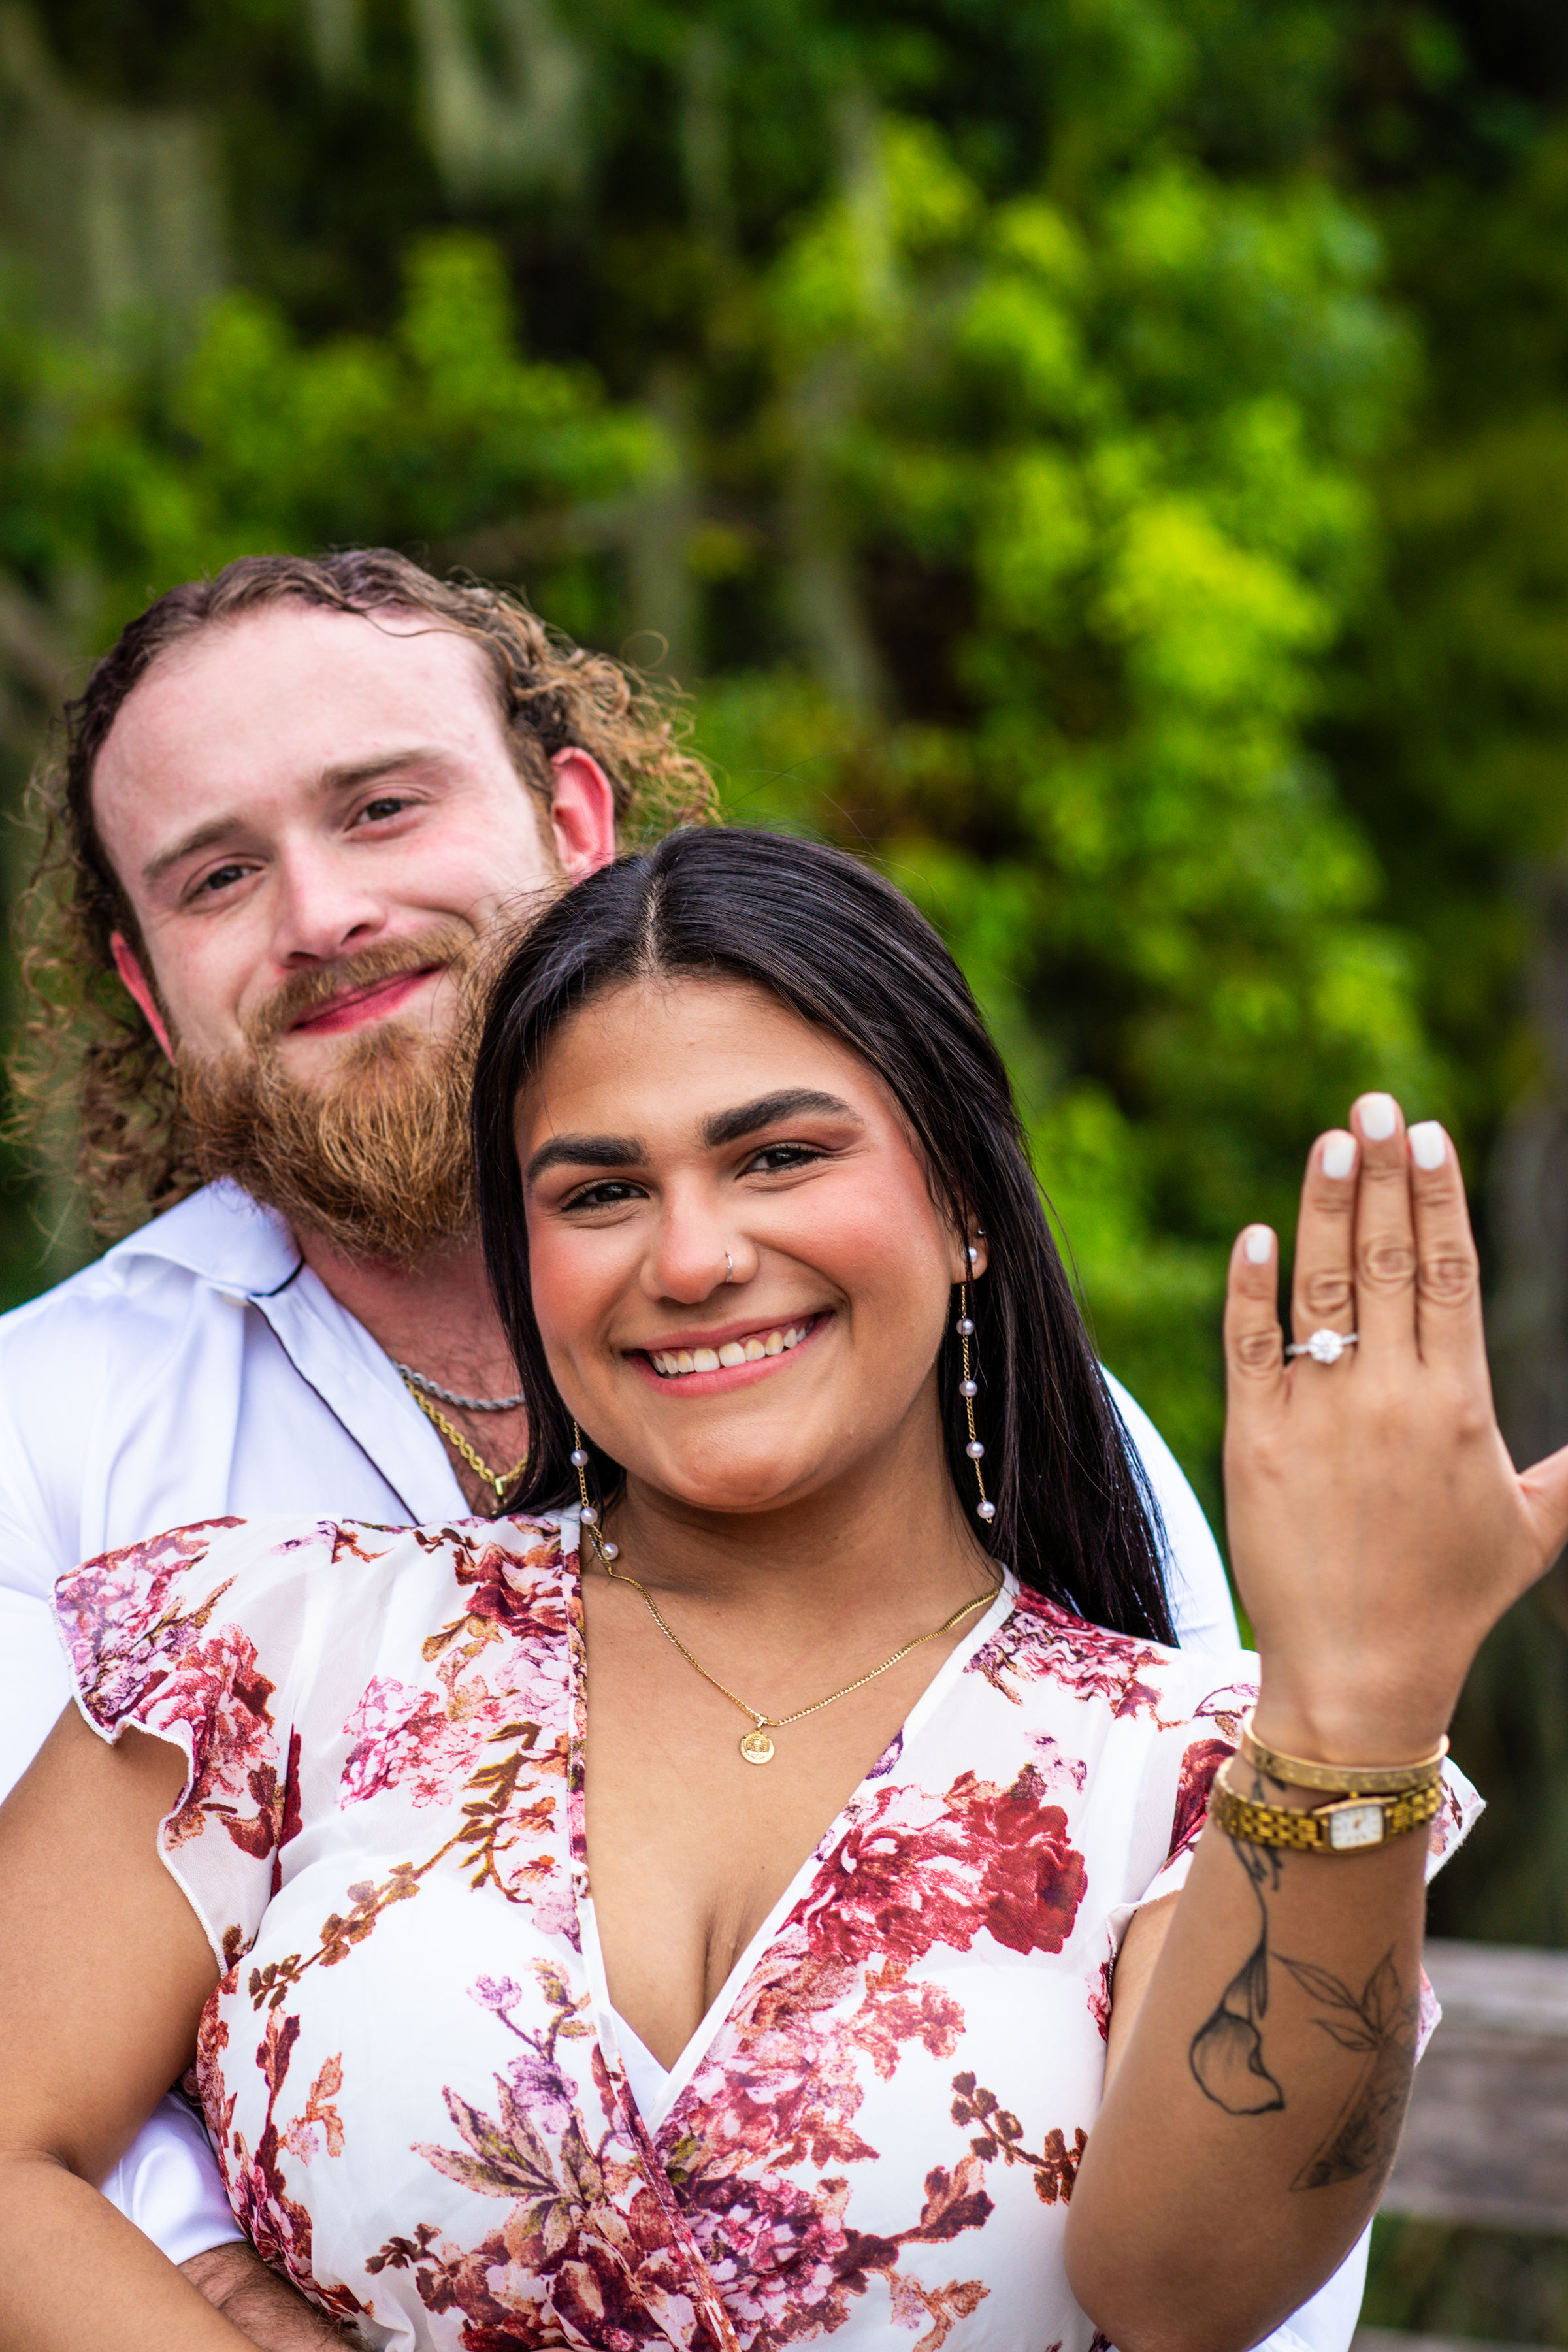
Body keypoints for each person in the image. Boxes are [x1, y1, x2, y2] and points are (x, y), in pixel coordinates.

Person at [2, 825, 1541, 2352]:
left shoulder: (1192, 1772)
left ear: (965, 1203)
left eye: (780, 1157)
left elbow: (1189, 2292)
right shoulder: (267, 1647)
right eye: (599, 1192)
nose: (691, 1256)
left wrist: (1356, 1709)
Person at [0, 557, 1235, 2340]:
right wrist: (202, 2268)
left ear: (575, 817)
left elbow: (1231, 2050)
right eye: (217, 875)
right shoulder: (44, 1433)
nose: (323, 910)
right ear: (143, 979)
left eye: (383, 805)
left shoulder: (993, 1418)